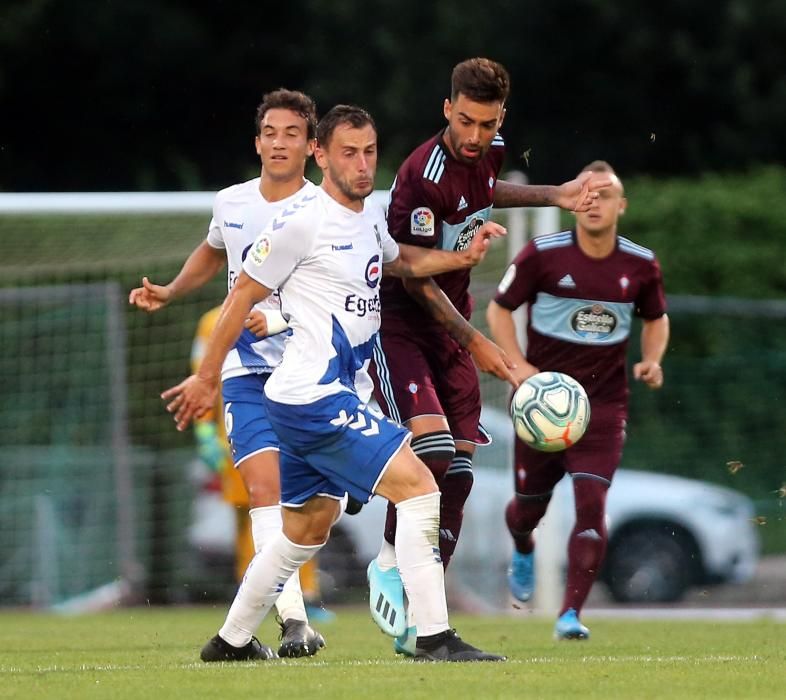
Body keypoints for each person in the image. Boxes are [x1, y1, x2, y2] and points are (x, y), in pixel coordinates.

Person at [162, 104, 507, 662]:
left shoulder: (370, 214)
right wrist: (206, 376)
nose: (362, 163)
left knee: (306, 526)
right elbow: (241, 295)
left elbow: (400, 262)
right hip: (311, 397)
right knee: (420, 485)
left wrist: (460, 256)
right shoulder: (300, 221)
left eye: (370, 151)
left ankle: (229, 641)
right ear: (320, 155)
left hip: (321, 397)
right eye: (349, 152)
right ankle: (435, 637)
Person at [366, 57, 611, 654]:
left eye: (489, 123)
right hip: (403, 327)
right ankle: (387, 563)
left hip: (453, 325)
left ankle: (423, 624)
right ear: (448, 109)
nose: (477, 136)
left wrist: (556, 193)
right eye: (467, 121)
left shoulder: (489, 148)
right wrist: (478, 343)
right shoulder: (419, 177)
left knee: (462, 473)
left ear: (501, 117)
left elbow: (484, 187)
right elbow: (412, 275)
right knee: (435, 454)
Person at [129, 88, 327, 659]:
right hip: (246, 373)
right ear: (257, 141)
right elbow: (214, 252)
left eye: (293, 133)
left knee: (311, 509)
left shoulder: (325, 211)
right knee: (266, 495)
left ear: (312, 146)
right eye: (271, 132)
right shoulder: (232, 203)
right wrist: (170, 289)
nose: (280, 142)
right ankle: (294, 622)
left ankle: (268, 626)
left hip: (309, 373)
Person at [486, 160, 669, 639]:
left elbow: (656, 317)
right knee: (529, 508)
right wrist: (520, 368)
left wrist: (653, 359)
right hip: (541, 403)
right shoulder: (542, 255)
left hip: (603, 407)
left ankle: (570, 615)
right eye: (585, 193)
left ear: (621, 205)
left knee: (592, 502)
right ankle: (522, 545)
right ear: (574, 202)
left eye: (605, 194)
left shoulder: (640, 265)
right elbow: (498, 309)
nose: (594, 201)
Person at [191, 306, 335, 623]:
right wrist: (204, 430)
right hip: (234, 426)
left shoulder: (289, 309)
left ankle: (304, 592)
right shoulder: (212, 320)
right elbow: (200, 371)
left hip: (287, 419)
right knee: (247, 513)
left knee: (298, 506)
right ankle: (252, 588)